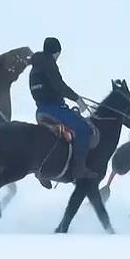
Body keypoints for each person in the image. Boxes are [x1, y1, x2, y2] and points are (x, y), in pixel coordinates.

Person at [29, 37, 95, 179]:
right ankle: (79, 169)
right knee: (84, 129)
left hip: (40, 111)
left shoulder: (35, 68)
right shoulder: (48, 64)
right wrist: (77, 99)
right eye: (58, 54)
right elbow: (60, 86)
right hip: (54, 109)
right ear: (56, 52)